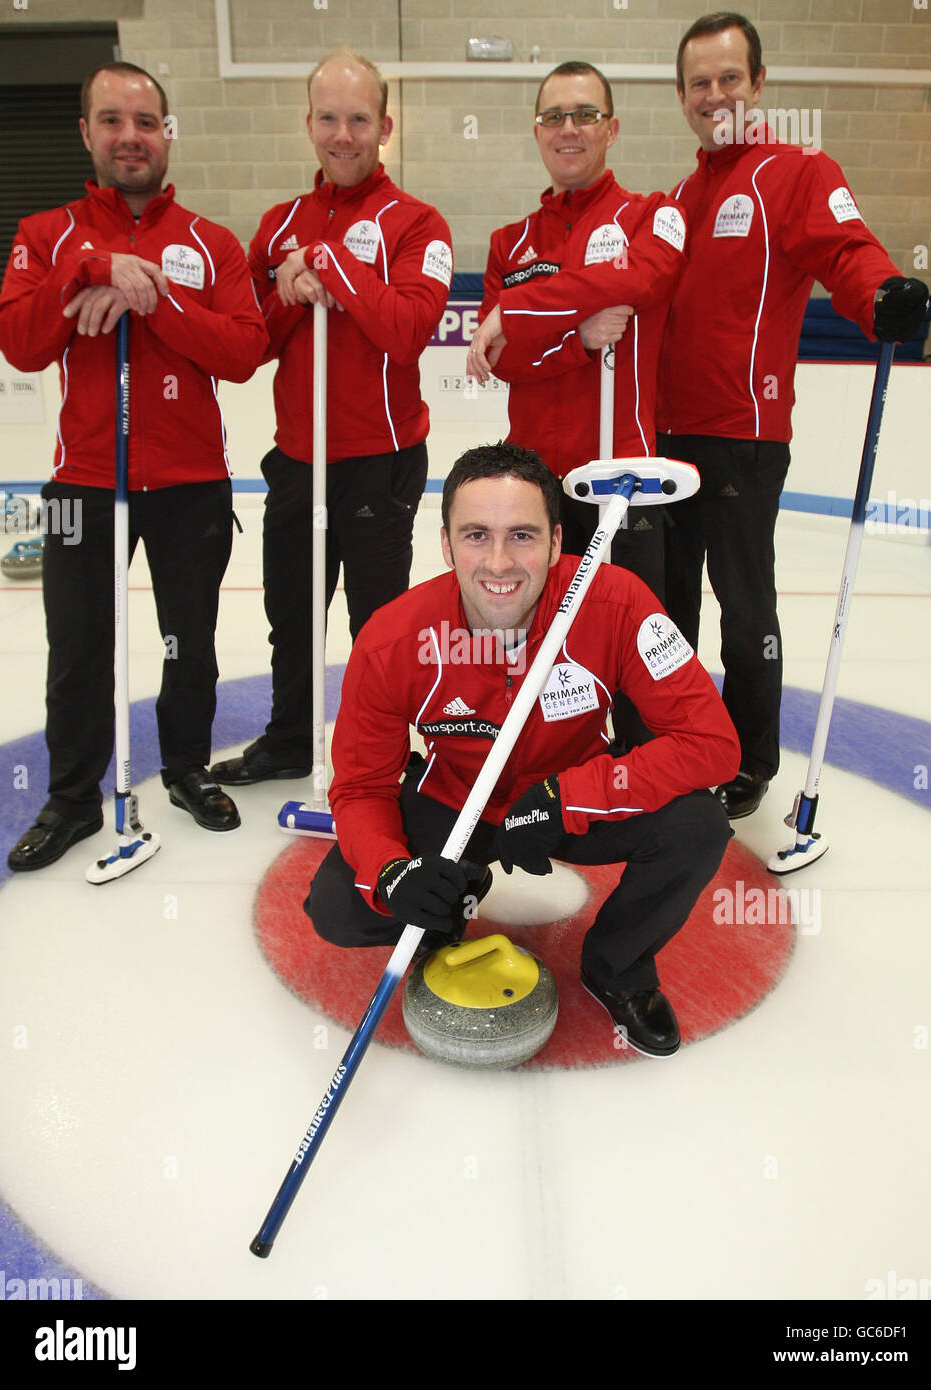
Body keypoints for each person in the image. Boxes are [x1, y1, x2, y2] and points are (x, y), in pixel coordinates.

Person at [305, 443, 740, 1058]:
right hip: (457, 800)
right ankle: (445, 899)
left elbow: (713, 745)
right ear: (446, 543)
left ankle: (617, 967)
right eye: (477, 535)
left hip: (567, 800)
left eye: (524, 535)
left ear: (559, 541)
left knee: (698, 826)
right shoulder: (393, 640)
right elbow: (360, 788)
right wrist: (390, 871)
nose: (500, 562)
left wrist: (572, 796)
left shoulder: (617, 603)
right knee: (340, 908)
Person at [0, 62, 268, 871]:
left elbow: (245, 350)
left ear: (166, 133)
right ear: (86, 132)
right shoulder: (48, 236)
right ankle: (73, 797)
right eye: (111, 121)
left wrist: (155, 298)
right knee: (77, 648)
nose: (129, 137)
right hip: (84, 482)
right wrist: (89, 271)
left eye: (145, 122)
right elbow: (20, 341)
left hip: (190, 486)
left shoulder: (212, 243)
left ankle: (184, 769)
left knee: (189, 641)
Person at [657, 12, 930, 819]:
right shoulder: (675, 198)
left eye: (728, 79)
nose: (714, 96)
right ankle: (675, 740)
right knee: (665, 608)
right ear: (680, 97)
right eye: (698, 84)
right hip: (664, 436)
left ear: (758, 84)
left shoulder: (796, 172)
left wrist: (880, 294)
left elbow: (844, 250)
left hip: (742, 435)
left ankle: (747, 757)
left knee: (743, 607)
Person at [211, 48, 452, 787]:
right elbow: (251, 347)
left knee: (379, 624)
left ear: (384, 127)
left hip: (378, 460)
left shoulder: (418, 224)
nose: (342, 134)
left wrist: (333, 266)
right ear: (306, 124)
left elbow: (408, 329)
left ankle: (378, 754)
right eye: (327, 118)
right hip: (297, 459)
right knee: (292, 613)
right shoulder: (277, 223)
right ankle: (288, 739)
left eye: (358, 119)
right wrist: (287, 291)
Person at [465, 60, 687, 749]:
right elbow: (503, 361)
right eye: (554, 116)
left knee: (634, 643)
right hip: (535, 488)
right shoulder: (510, 241)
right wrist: (578, 340)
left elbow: (641, 276)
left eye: (585, 115)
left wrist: (518, 309)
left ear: (611, 128)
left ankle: (653, 773)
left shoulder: (655, 215)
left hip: (622, 482)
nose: (569, 129)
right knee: (541, 641)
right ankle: (549, 764)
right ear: (537, 131)